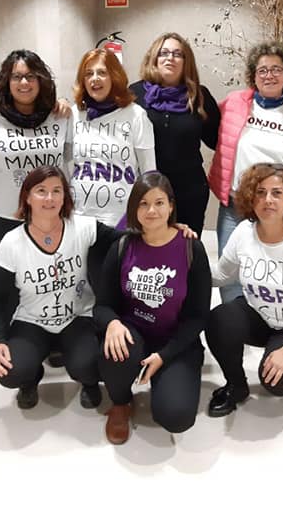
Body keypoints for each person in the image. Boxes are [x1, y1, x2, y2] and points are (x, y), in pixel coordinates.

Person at [205, 163, 283, 416]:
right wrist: (182, 254)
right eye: (260, 192)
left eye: (276, 193)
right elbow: (221, 275)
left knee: (278, 383)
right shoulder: (244, 232)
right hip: (262, 318)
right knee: (219, 320)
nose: (268, 200)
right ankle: (236, 386)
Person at [0, 166, 121, 411]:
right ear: (27, 197)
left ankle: (88, 382)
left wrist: (171, 232)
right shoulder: (11, 243)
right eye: (41, 191)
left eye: (56, 191)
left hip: (78, 316)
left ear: (65, 196)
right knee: (10, 371)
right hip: (32, 321)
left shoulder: (83, 227)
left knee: (90, 363)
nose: (49, 198)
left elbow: (127, 240)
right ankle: (29, 379)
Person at [94, 172, 211, 444]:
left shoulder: (191, 248)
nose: (151, 210)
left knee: (176, 415)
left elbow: (197, 318)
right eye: (143, 203)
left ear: (171, 206)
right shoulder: (123, 246)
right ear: (134, 208)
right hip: (134, 333)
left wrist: (165, 356)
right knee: (114, 350)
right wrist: (112, 323)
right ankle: (121, 404)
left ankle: (165, 379)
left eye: (159, 203)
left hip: (176, 342)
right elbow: (103, 305)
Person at [0, 51, 70, 347]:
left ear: (41, 80)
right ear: (6, 81)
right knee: (5, 283)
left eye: (31, 76)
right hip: (2, 214)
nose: (24, 82)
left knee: (48, 278)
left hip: (48, 216)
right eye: (17, 76)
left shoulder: (60, 114)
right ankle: (5, 340)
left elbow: (69, 162)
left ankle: (51, 337)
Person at [207, 42, 283, 303]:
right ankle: (234, 326)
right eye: (263, 70)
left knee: (275, 273)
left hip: (279, 208)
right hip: (235, 205)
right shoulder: (234, 103)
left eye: (277, 69)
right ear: (253, 75)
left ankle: (269, 326)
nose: (269, 75)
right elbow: (208, 130)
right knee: (230, 272)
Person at [129, 32, 220, 235]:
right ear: (154, 58)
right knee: (148, 250)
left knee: (185, 251)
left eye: (178, 54)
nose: (170, 58)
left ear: (186, 62)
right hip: (147, 191)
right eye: (164, 53)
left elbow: (219, 140)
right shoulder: (135, 94)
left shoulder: (200, 96)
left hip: (189, 192)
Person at [70, 47, 156, 226]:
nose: (95, 78)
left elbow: (149, 173)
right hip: (79, 218)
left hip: (120, 219)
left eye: (102, 72)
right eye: (88, 74)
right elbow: (65, 166)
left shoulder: (135, 115)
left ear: (114, 76)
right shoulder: (74, 115)